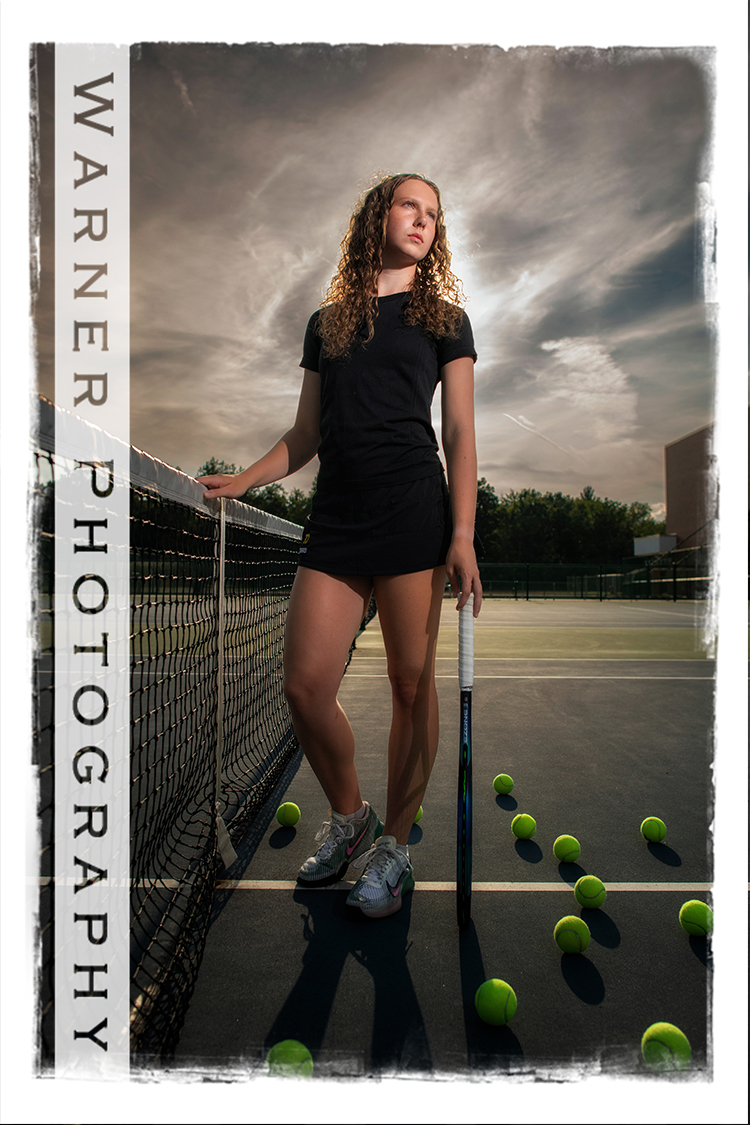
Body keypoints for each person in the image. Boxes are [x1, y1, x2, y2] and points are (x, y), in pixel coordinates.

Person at [199, 173, 482, 918]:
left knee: (411, 686)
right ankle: (352, 815)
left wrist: (462, 532)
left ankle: (393, 845)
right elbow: (305, 434)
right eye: (408, 205)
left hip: (415, 515)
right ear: (376, 216)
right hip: (339, 520)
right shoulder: (327, 323)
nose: (420, 220)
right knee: (303, 686)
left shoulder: (445, 319)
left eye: (432, 214)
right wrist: (247, 480)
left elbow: (458, 431)